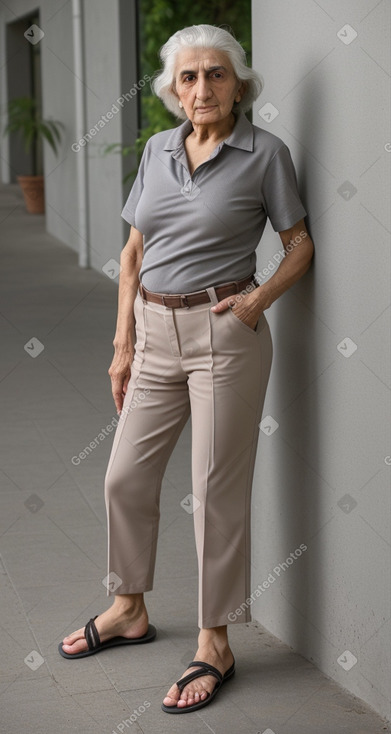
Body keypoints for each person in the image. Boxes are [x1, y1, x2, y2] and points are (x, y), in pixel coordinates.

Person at [58, 23, 314, 714]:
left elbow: (298, 244)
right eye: (189, 77)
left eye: (216, 75)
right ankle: (128, 607)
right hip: (152, 330)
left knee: (213, 492)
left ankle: (214, 640)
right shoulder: (156, 148)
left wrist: (254, 302)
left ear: (238, 82)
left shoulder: (264, 154)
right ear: (173, 88)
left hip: (223, 336)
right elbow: (135, 252)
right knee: (123, 476)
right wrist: (122, 343)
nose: (201, 88)